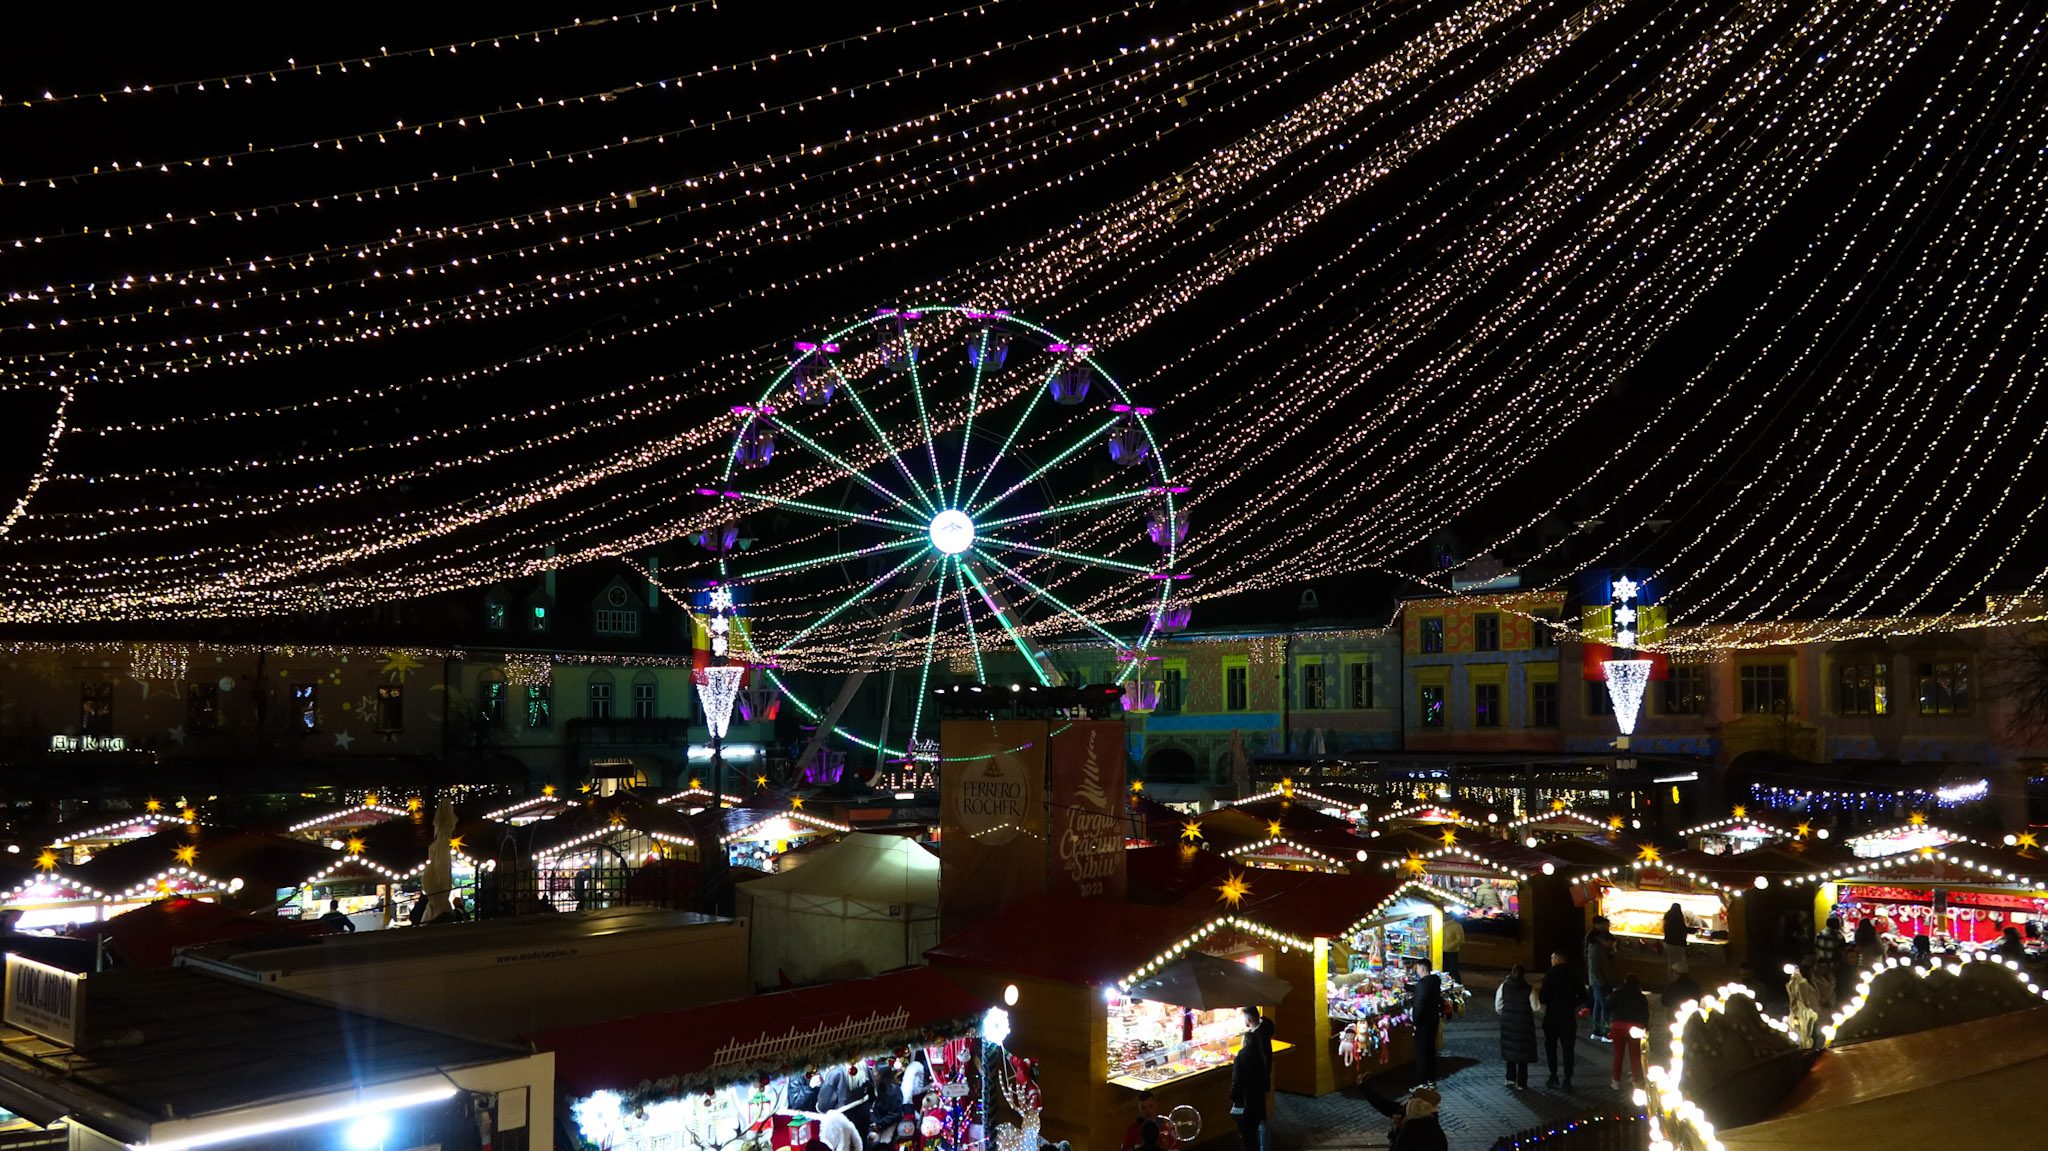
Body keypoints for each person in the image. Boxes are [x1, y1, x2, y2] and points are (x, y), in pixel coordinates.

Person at [1537, 950, 1583, 1090]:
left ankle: (1553, 1076)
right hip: (1568, 1018)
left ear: (1556, 959)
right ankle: (1567, 1080)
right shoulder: (1574, 973)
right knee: (1568, 1049)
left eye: (1552, 958)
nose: (1551, 961)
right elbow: (1583, 995)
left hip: (1552, 1017)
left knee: (1551, 1047)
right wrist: (1571, 1004)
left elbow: (1543, 997)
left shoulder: (1550, 974)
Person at [1228, 1007, 1270, 1151]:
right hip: (1257, 1093)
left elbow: (1237, 1081)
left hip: (1247, 1100)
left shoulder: (1243, 1056)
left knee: (1249, 1135)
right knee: (1259, 1124)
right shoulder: (1261, 1039)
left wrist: (1233, 1097)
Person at [1496, 963, 1539, 1091]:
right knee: (1523, 1054)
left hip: (1508, 1023)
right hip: (1524, 1024)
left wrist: (1506, 1013)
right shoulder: (1530, 989)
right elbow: (1535, 1007)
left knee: (1510, 1050)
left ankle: (1510, 1078)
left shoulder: (1504, 986)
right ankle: (1522, 1082)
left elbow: (1498, 1005)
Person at [1608, 974, 1650, 1088]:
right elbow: (1645, 1014)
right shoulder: (1641, 997)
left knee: (1618, 1055)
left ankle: (1616, 1082)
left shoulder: (1617, 994)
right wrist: (1646, 1029)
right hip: (1636, 1028)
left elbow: (1607, 1007)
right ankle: (1636, 1081)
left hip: (1618, 1027)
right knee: (1635, 1056)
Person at [1407, 959, 1443, 1088]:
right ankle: (1431, 1080)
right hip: (1433, 1021)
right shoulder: (1434, 981)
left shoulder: (1423, 984)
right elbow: (1421, 990)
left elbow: (1419, 1004)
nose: (1416, 971)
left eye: (1417, 968)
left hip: (1423, 1024)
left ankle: (1422, 1083)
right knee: (1430, 1050)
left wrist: (1415, 1022)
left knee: (1421, 1053)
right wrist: (1405, 986)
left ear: (1422, 969)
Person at [1584, 916, 1616, 1041]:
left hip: (1597, 981)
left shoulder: (1598, 947)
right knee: (1606, 1006)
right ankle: (1606, 1033)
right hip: (1600, 981)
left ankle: (1596, 1031)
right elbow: (1594, 969)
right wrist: (1603, 983)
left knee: (1598, 1004)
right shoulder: (1596, 948)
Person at [1785, 964, 1822, 1050]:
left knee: (1810, 1032)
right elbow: (1803, 999)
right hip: (1803, 1010)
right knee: (1805, 1032)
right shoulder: (1801, 983)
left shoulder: (1808, 982)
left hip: (1810, 1009)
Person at [1813, 916, 1844, 1007]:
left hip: (1820, 964)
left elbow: (1815, 947)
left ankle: (1819, 1002)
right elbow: (1842, 952)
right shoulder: (1838, 936)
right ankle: (1830, 1004)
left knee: (1820, 985)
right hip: (1832, 965)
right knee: (1831, 986)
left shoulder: (1819, 934)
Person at [1662, 903, 1690, 981]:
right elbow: (1685, 931)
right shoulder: (1679, 920)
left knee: (1670, 962)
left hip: (1667, 944)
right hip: (1678, 945)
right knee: (1680, 963)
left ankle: (1670, 980)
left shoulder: (1667, 918)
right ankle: (1679, 981)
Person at [1441, 913, 1466, 984]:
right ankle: (1445, 985)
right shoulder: (1440, 924)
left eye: (1445, 915)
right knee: (1444, 970)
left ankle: (1458, 985)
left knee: (1453, 970)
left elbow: (1460, 940)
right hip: (1441, 951)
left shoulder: (1457, 926)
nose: (1443, 916)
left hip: (1452, 952)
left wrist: (1449, 946)